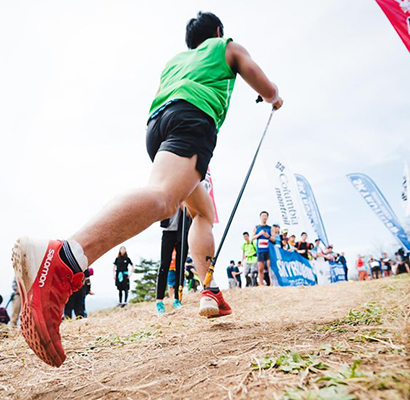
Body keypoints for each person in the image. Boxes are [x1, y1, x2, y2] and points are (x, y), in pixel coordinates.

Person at [11, 11, 283, 367]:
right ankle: (65, 258)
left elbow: (159, 96)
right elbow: (258, 78)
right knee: (164, 199)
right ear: (217, 31)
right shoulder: (225, 46)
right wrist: (274, 97)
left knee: (203, 212)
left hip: (158, 126)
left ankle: (209, 289)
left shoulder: (176, 61)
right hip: (193, 119)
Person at [156, 209, 190, 315]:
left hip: (183, 232)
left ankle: (177, 299)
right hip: (168, 232)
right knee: (164, 265)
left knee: (180, 266)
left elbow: (190, 213)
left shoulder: (187, 197)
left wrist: (183, 204)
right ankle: (159, 301)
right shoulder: (169, 196)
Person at [252, 211, 275, 286]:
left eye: (265, 216)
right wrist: (259, 234)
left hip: (268, 250)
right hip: (260, 250)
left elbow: (273, 239)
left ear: (267, 217)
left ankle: (272, 283)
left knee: (270, 267)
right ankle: (261, 283)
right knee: (260, 268)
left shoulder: (270, 228)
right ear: (260, 217)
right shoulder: (256, 227)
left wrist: (267, 235)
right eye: (263, 216)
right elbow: (252, 238)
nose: (264, 217)